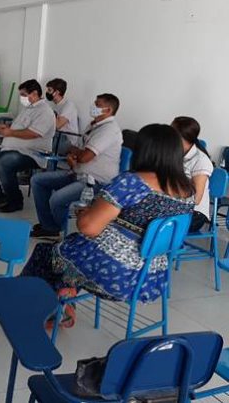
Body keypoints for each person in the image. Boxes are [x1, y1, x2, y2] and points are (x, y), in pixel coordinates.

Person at [21, 124, 194, 328]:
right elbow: (142, 224)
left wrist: (86, 214)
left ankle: (33, 308)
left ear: (143, 150)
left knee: (49, 253)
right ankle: (65, 298)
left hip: (116, 274)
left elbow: (88, 228)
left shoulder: (133, 182)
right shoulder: (187, 191)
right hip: (151, 277)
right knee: (74, 253)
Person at [31, 94, 123, 240]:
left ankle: (59, 230)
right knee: (38, 180)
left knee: (57, 199)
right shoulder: (93, 125)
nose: (93, 106)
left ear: (108, 110)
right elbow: (79, 152)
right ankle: (49, 226)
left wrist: (73, 151)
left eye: (98, 105)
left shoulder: (109, 130)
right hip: (77, 172)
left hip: (95, 182)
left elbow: (85, 156)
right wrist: (73, 156)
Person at [0, 79, 55, 213]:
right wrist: (6, 128)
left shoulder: (45, 112)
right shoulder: (27, 109)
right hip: (12, 149)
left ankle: (15, 201)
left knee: (5, 162)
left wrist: (10, 132)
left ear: (34, 93)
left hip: (32, 153)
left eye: (24, 95)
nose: (22, 98)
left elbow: (34, 133)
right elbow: (18, 128)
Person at [172, 116, 213, 233]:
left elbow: (195, 199)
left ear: (181, 136)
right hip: (174, 205)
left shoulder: (201, 160)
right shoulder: (174, 153)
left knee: (153, 220)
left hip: (194, 214)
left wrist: (168, 190)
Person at [44, 78, 79, 153]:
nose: (46, 92)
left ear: (57, 92)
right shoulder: (54, 106)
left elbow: (57, 125)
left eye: (49, 90)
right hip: (56, 137)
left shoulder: (69, 106)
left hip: (66, 140)